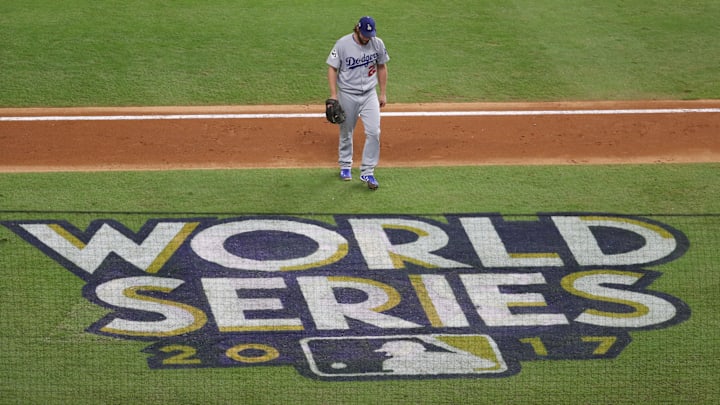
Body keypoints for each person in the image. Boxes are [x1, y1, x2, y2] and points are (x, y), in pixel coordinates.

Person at [326, 16, 389, 190]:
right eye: (364, 34)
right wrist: (333, 95)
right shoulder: (342, 44)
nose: (367, 37)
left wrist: (382, 93)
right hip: (347, 94)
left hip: (369, 94)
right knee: (346, 130)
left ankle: (368, 171)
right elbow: (332, 68)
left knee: (374, 131)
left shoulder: (377, 44)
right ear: (357, 29)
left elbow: (382, 66)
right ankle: (345, 165)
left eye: (370, 34)